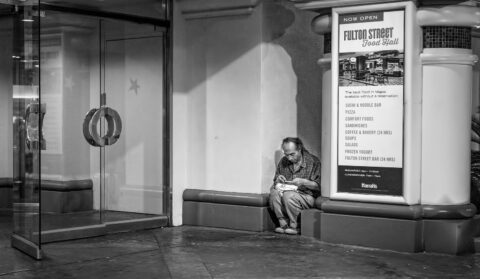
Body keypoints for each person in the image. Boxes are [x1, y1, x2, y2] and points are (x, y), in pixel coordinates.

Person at [269, 137, 321, 235]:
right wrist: (278, 180)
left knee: (289, 195)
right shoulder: (283, 161)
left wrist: (304, 182)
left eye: (292, 154)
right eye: (286, 154)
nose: (289, 158)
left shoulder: (313, 161)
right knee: (274, 193)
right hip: (286, 193)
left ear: (299, 149)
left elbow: (318, 186)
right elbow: (276, 182)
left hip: (306, 196)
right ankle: (283, 223)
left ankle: (295, 225)